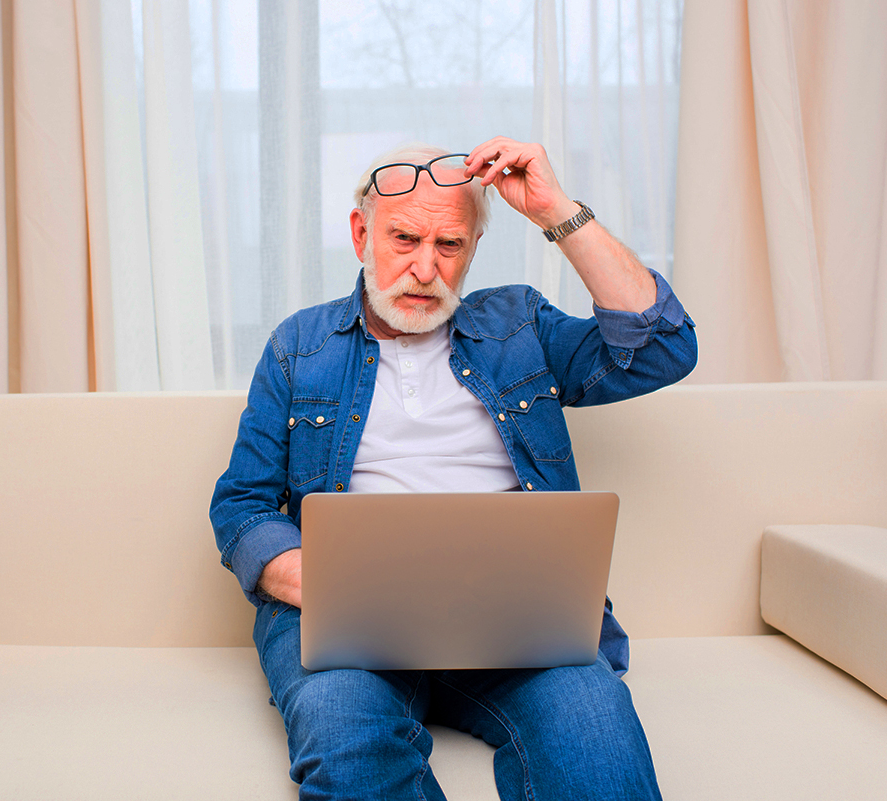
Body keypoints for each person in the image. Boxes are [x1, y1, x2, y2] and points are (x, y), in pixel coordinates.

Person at [210, 135, 697, 801]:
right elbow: (242, 505)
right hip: (348, 622)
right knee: (344, 736)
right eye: (404, 239)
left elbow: (663, 347)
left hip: (515, 618)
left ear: (471, 249)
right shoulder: (300, 346)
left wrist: (557, 209)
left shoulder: (519, 323)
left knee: (595, 727)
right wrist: (322, 581)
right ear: (361, 234)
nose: (424, 267)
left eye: (449, 246)